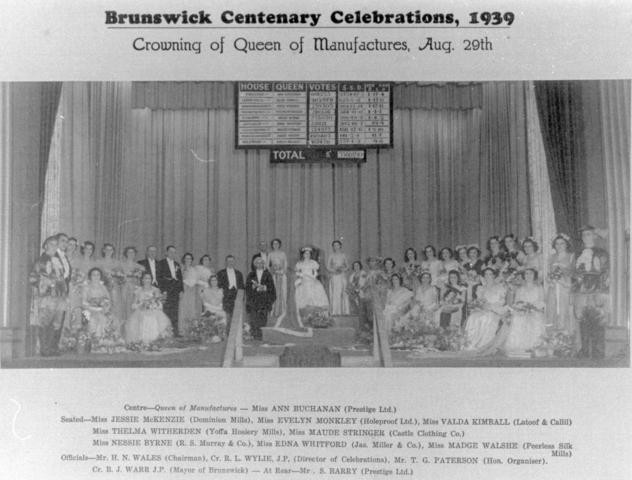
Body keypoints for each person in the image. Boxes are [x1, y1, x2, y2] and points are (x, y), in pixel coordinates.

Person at [29, 236, 67, 356]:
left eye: (56, 244)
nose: (55, 247)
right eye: (52, 244)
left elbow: (61, 278)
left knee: (57, 322)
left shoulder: (57, 260)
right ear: (46, 246)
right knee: (45, 321)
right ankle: (44, 348)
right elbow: (33, 278)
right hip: (47, 296)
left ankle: (52, 347)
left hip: (59, 296)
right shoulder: (41, 261)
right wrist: (46, 282)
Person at [463, 267, 508, 352]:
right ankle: (470, 343)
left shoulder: (500, 287)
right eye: (486, 274)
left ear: (494, 276)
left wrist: (491, 306)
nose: (488, 276)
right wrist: (480, 305)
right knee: (473, 317)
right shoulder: (481, 288)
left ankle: (483, 344)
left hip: (495, 309)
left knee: (486, 318)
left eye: (490, 274)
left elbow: (502, 301)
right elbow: (479, 300)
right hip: (483, 309)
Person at [81, 267, 125, 353]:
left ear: (100, 276)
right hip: (90, 311)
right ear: (90, 276)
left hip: (103, 310)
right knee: (99, 318)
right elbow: (84, 303)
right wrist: (95, 309)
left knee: (112, 319)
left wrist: (105, 307)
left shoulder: (103, 287)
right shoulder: (86, 288)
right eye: (94, 275)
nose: (96, 277)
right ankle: (97, 345)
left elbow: (108, 300)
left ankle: (108, 344)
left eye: (98, 275)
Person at [503, 268, 546, 355]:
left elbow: (542, 302)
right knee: (517, 318)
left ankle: (534, 345)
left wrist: (533, 307)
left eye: (531, 273)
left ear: (534, 276)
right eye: (526, 274)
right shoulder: (520, 289)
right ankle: (518, 346)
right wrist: (521, 308)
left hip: (535, 311)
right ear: (524, 276)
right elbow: (516, 302)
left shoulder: (539, 288)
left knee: (535, 319)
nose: (528, 275)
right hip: (522, 311)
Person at [125, 272, 173, 345]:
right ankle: (143, 340)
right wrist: (141, 305)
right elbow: (133, 305)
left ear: (151, 280)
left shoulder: (155, 290)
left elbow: (159, 304)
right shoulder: (138, 291)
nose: (147, 280)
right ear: (142, 280)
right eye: (145, 278)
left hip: (153, 311)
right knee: (143, 318)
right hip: (141, 311)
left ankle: (155, 340)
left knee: (153, 318)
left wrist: (153, 305)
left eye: (149, 278)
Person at [546, 234, 575, 332]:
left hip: (564, 286)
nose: (559, 246)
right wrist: (550, 279)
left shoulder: (571, 256)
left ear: (566, 244)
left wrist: (563, 270)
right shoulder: (552, 257)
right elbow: (549, 273)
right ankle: (554, 336)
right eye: (557, 244)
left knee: (564, 309)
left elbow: (573, 272)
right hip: (554, 287)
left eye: (562, 243)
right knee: (552, 308)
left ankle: (566, 335)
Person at [294, 246, 329, 326]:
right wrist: (301, 275)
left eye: (309, 254)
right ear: (303, 255)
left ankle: (316, 315)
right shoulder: (299, 263)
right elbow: (297, 273)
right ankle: (303, 315)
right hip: (303, 280)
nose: (307, 255)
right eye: (306, 254)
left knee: (317, 289)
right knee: (302, 290)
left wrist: (312, 277)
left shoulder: (313, 263)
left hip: (312, 280)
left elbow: (315, 272)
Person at [245, 257, 277, 340]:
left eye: (261, 263)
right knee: (253, 319)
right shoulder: (251, 274)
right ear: (255, 264)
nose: (259, 264)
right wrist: (253, 286)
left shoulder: (268, 274)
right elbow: (247, 288)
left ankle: (262, 337)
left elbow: (272, 288)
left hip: (264, 300)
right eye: (257, 263)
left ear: (263, 264)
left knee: (262, 319)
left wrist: (264, 287)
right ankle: (254, 336)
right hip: (254, 301)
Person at [157, 245, 184, 334]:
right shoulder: (161, 263)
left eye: (174, 252)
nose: (172, 254)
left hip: (175, 291)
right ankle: (166, 332)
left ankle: (175, 331)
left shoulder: (177, 264)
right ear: (166, 253)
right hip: (166, 290)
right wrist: (163, 290)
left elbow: (180, 278)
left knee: (175, 311)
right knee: (166, 311)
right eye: (170, 252)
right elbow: (159, 278)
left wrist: (181, 290)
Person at [95, 243, 123, 320]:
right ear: (103, 250)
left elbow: (122, 277)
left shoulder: (117, 263)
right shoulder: (98, 262)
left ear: (113, 251)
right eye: (107, 249)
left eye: (111, 249)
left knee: (114, 304)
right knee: (103, 303)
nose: (108, 251)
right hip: (102, 286)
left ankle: (113, 324)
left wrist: (117, 275)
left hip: (114, 287)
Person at [119, 246, 145, 323]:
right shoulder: (121, 265)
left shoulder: (139, 266)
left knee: (134, 304)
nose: (131, 254)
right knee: (124, 304)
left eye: (133, 252)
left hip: (135, 288)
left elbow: (141, 279)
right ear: (126, 253)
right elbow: (119, 278)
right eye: (129, 252)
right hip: (124, 287)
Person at [199, 275, 228, 342]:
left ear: (217, 281)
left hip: (218, 309)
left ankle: (220, 336)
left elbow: (221, 303)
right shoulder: (206, 290)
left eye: (215, 280)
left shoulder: (221, 290)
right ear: (210, 281)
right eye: (212, 280)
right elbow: (204, 303)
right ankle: (211, 336)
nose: (214, 282)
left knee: (222, 314)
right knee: (210, 315)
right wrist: (213, 309)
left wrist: (217, 309)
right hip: (209, 309)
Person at [178, 252, 200, 337]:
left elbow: (195, 280)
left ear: (192, 260)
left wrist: (191, 283)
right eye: (186, 258)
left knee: (191, 309)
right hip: (183, 290)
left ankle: (191, 330)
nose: (188, 260)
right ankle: (182, 330)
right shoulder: (181, 268)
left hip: (191, 291)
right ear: (184, 259)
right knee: (183, 309)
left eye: (190, 258)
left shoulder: (194, 269)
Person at [267, 238, 288, 326]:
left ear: (279, 245)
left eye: (277, 243)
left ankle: (283, 310)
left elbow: (286, 264)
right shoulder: (270, 254)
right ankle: (274, 311)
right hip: (274, 275)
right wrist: (272, 271)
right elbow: (267, 265)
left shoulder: (283, 253)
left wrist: (282, 271)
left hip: (282, 276)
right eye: (274, 244)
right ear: (272, 245)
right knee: (274, 292)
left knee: (282, 292)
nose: (275, 245)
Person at [327, 240, 350, 315]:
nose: (336, 247)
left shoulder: (343, 255)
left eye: (337, 245)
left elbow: (347, 266)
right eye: (334, 245)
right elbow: (328, 267)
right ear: (333, 247)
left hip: (342, 275)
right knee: (335, 293)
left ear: (340, 246)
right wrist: (334, 270)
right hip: (334, 276)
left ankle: (344, 311)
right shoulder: (331, 255)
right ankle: (335, 311)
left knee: (342, 292)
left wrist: (342, 269)